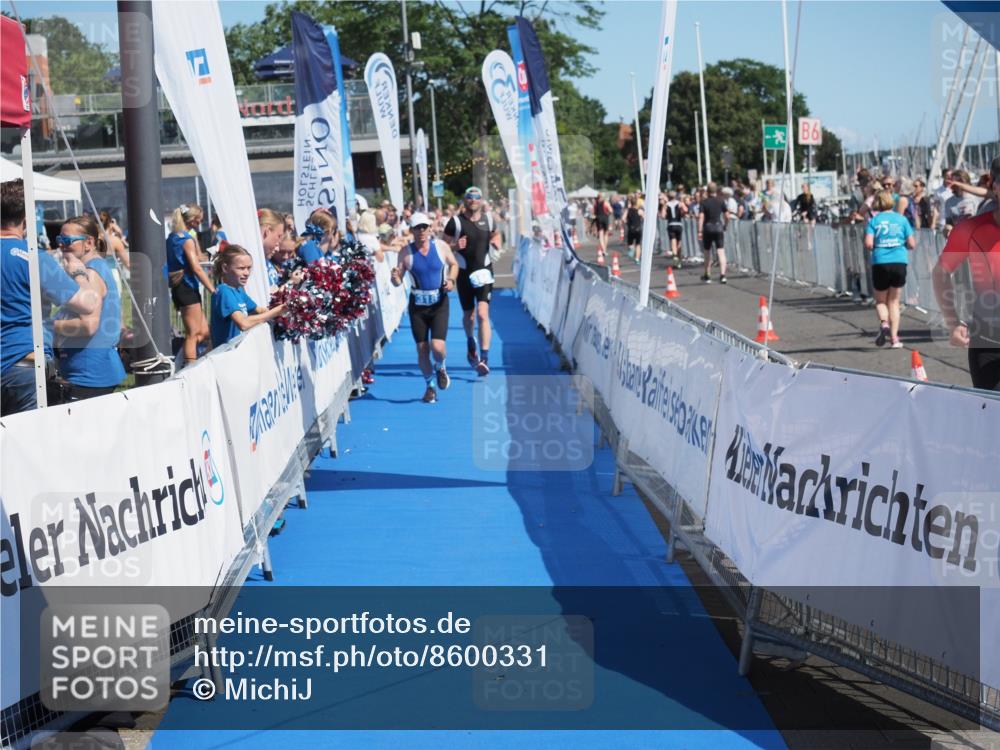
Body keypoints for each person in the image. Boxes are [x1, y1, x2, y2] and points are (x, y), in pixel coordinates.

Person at [1, 179, 99, 415]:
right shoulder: (32, 257)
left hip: (18, 364)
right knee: (30, 446)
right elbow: (87, 303)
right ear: (26, 220)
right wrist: (77, 271)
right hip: (23, 365)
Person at [932, 158, 1000, 391]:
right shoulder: (971, 229)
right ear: (994, 187)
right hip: (989, 344)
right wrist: (952, 322)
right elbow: (941, 273)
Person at [52, 214, 127, 400]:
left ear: (88, 243)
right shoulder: (94, 268)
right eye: (60, 239)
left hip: (90, 373)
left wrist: (47, 326)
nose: (62, 245)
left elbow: (89, 325)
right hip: (90, 369)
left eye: (68, 240)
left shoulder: (91, 273)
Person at [390, 212, 459, 403]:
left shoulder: (441, 247)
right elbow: (397, 280)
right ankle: (430, 386)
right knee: (422, 349)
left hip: (439, 302)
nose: (421, 231)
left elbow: (454, 264)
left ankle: (441, 366)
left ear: (430, 228)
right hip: (418, 306)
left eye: (424, 227)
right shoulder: (405, 252)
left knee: (437, 347)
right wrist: (395, 278)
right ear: (411, 230)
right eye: (417, 228)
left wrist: (451, 280)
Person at [444, 186, 500, 376]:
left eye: (477, 198)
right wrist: (454, 245)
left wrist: (496, 243)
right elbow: (443, 247)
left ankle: (484, 358)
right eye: (470, 198)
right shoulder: (455, 222)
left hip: (484, 271)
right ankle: (470, 340)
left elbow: (495, 233)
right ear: (465, 200)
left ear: (481, 201)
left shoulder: (489, 219)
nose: (473, 201)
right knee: (469, 316)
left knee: (483, 314)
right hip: (463, 273)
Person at [864, 190, 915, 349]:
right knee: (894, 301)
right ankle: (894, 338)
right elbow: (912, 244)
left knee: (880, 301)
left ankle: (884, 322)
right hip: (899, 260)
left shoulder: (874, 221)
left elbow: (868, 244)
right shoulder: (901, 219)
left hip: (880, 261)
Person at [210, 244, 286, 348]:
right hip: (226, 358)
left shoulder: (238, 290)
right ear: (225, 268)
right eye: (241, 268)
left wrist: (285, 308)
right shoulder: (224, 292)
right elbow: (243, 324)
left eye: (249, 268)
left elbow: (260, 311)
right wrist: (277, 311)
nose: (247, 273)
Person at [166, 203, 214, 365]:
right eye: (199, 219)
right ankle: (190, 367)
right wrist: (212, 289)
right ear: (192, 220)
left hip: (180, 287)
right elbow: (197, 268)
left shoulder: (173, 237)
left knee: (204, 332)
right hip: (187, 287)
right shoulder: (186, 240)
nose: (201, 223)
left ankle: (190, 361)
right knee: (193, 334)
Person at [698, 182, 729, 284]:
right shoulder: (721, 201)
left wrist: (699, 231)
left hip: (708, 228)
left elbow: (701, 217)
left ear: (707, 191)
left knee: (707, 252)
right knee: (721, 251)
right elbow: (727, 215)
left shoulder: (704, 202)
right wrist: (725, 225)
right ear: (716, 190)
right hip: (718, 227)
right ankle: (723, 275)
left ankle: (707, 275)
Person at [665, 190, 686, 264]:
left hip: (671, 224)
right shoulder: (680, 203)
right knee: (679, 242)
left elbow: (663, 215)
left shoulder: (666, 204)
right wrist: (682, 212)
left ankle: (675, 256)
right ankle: (679, 258)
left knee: (673, 241)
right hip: (679, 224)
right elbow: (686, 210)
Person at [625, 195, 644, 263]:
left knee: (630, 243)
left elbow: (623, 219)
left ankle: (631, 250)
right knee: (638, 244)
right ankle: (637, 258)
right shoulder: (639, 211)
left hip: (631, 229)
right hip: (638, 229)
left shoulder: (628, 210)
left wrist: (626, 222)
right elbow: (645, 217)